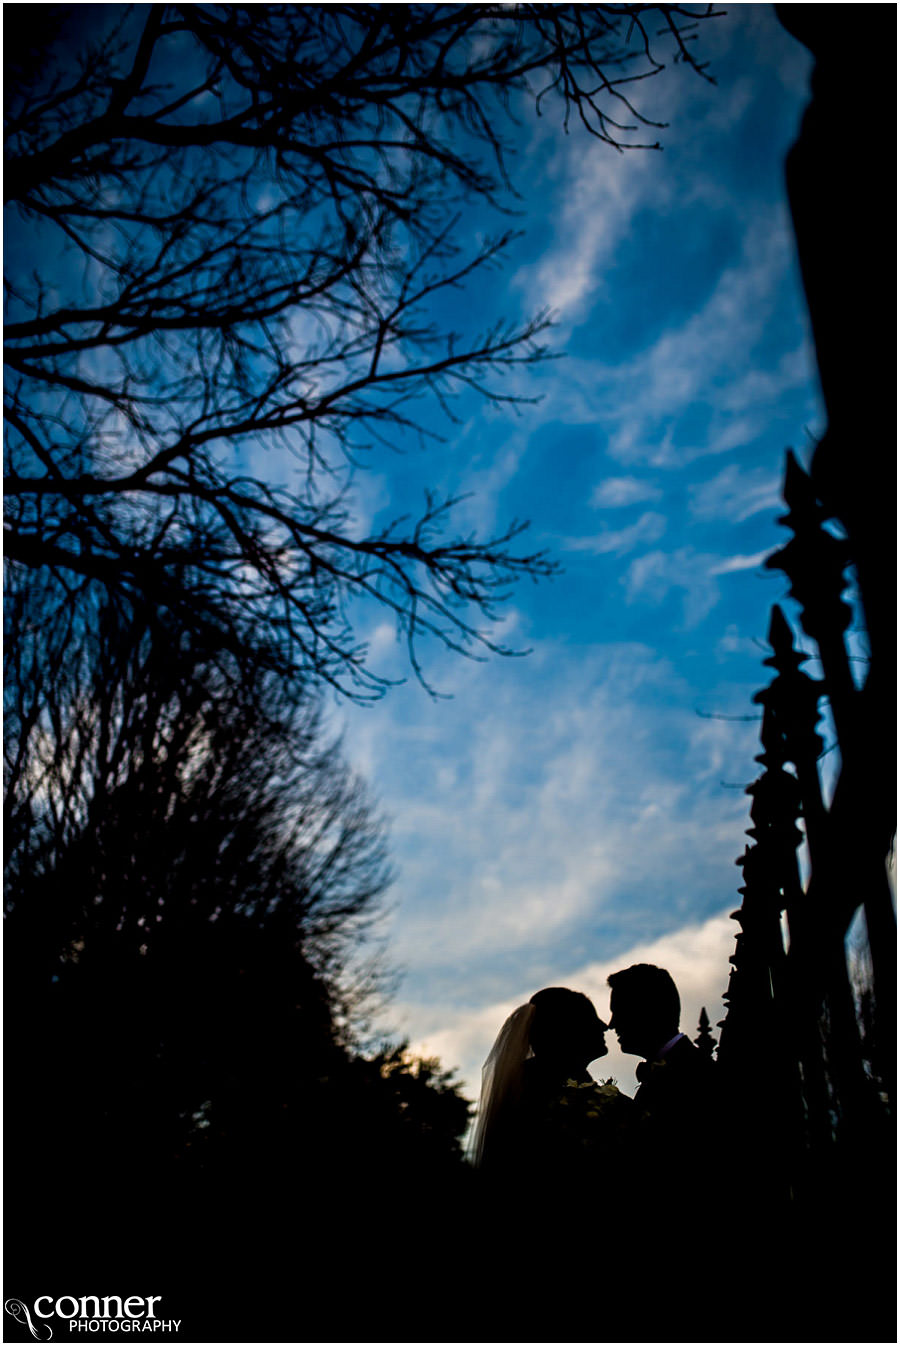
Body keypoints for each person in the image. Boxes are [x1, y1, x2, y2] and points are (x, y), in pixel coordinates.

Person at [468, 986, 634, 1189]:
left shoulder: (543, 1083)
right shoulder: (539, 1094)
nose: (603, 1026)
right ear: (568, 1029)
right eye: (591, 1018)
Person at [607, 962, 720, 1221]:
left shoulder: (693, 1076)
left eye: (619, 1011)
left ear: (647, 1011)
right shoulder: (674, 1069)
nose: (612, 1024)